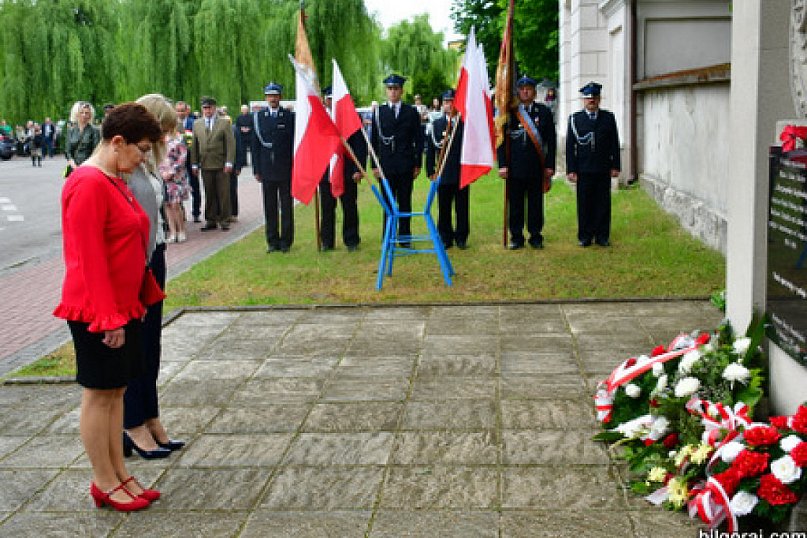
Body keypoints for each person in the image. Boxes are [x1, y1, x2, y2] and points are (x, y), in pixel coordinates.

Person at [53, 102, 164, 512]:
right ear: (117, 142)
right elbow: (87, 257)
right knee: (99, 395)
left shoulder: (114, 178)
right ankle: (103, 480)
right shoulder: (88, 183)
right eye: (141, 149)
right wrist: (107, 317)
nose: (143, 158)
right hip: (97, 311)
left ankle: (120, 473)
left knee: (117, 392)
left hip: (123, 306)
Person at [122, 94, 185, 461]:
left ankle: (151, 416)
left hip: (154, 256)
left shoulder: (146, 164)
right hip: (136, 264)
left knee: (151, 346)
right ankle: (132, 426)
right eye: (161, 130)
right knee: (136, 347)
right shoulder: (127, 165)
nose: (165, 137)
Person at [497, 75, 556, 250]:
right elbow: (500, 140)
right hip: (514, 167)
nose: (525, 91)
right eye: (522, 89)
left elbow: (550, 141)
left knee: (535, 203)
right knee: (515, 203)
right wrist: (502, 165)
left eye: (529, 89)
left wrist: (550, 165)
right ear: (517, 92)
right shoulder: (509, 113)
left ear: (535, 92)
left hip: (536, 166)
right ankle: (516, 236)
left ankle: (535, 235)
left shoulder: (543, 112)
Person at [566, 81, 621, 247]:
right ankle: (585, 236)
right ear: (583, 100)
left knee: (603, 203)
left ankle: (602, 236)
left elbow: (614, 143)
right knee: (584, 203)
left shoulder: (608, 118)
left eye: (595, 97)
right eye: (589, 98)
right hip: (583, 169)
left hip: (603, 167)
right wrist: (571, 169)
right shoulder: (575, 119)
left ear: (599, 99)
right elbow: (570, 147)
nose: (592, 100)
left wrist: (616, 165)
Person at [370, 74, 423, 243]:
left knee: (405, 202)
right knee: (388, 203)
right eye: (390, 89)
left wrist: (417, 164)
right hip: (386, 166)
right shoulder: (379, 113)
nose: (393, 92)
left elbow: (419, 139)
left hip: (406, 165)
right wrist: (374, 166)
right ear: (386, 91)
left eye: (396, 89)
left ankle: (405, 237)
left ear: (402, 91)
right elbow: (373, 142)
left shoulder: (411, 112)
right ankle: (388, 236)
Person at [318, 86, 367, 252]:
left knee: (349, 207)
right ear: (325, 100)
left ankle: (351, 240)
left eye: (334, 98)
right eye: (329, 98)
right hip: (326, 171)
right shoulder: (319, 118)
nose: (331, 101)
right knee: (327, 209)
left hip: (347, 170)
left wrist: (358, 169)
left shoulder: (351, 117)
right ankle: (327, 241)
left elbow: (360, 146)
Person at [252, 82, 295, 253]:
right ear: (265, 98)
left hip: (285, 168)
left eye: (275, 95)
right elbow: (255, 146)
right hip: (267, 169)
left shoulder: (289, 117)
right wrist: (256, 169)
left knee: (286, 207)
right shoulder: (259, 117)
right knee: (269, 207)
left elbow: (292, 143)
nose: (272, 99)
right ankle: (272, 241)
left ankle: (286, 242)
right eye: (269, 96)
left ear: (280, 97)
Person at [426, 89, 469, 249]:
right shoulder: (436, 125)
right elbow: (431, 149)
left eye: (452, 101)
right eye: (446, 102)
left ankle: (461, 237)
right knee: (443, 207)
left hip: (460, 172)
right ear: (442, 104)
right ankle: (445, 237)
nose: (449, 105)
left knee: (462, 207)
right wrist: (430, 170)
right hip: (442, 172)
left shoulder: (464, 124)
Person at [190, 96, 235, 232]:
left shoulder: (224, 123)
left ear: (214, 108)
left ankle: (225, 220)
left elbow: (230, 144)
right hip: (205, 164)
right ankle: (210, 220)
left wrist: (229, 162)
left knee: (223, 193)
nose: (207, 110)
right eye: (205, 108)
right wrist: (194, 164)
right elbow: (194, 146)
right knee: (209, 193)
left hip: (221, 164)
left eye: (209, 108)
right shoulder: (197, 124)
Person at [161, 114, 190, 244]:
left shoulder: (179, 139)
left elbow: (183, 157)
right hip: (162, 176)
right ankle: (172, 232)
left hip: (176, 177)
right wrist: (161, 173)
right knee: (166, 204)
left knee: (175, 204)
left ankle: (181, 230)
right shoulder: (160, 140)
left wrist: (172, 171)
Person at [176, 101, 201, 222]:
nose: (180, 113)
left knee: (194, 185)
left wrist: (196, 162)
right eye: (178, 110)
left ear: (187, 111)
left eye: (182, 110)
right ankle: (181, 213)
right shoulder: (173, 124)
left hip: (191, 159)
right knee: (177, 187)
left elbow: (196, 143)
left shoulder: (194, 123)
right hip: (177, 161)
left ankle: (196, 212)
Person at [65, 101, 101, 170]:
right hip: (73, 167)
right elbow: (67, 152)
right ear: (76, 114)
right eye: (81, 112)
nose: (84, 115)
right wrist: (74, 166)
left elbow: (96, 152)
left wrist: (86, 166)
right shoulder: (71, 130)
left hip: (89, 167)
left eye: (86, 113)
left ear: (90, 115)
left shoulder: (95, 131)